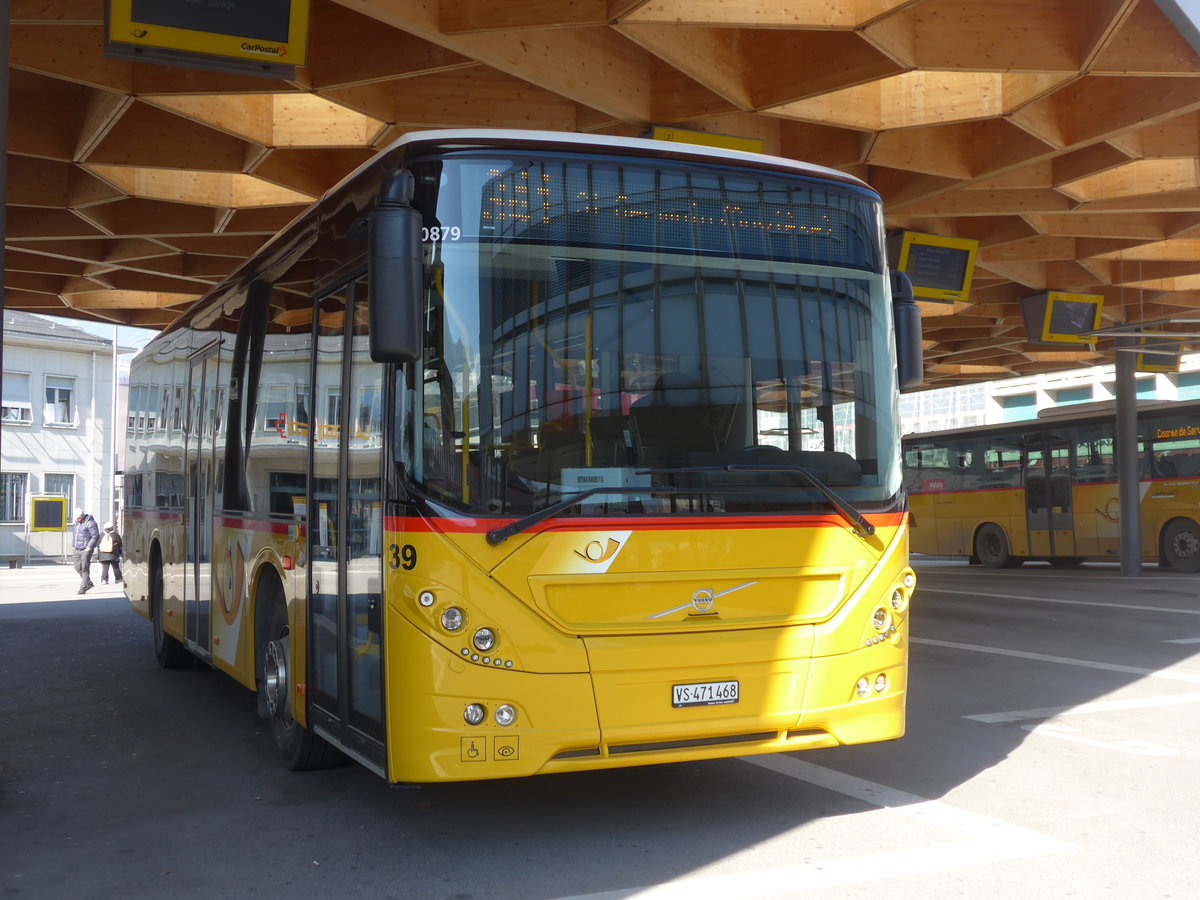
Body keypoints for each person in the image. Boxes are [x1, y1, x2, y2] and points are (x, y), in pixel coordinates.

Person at [71, 507, 100, 594]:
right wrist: (73, 546)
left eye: (78, 518)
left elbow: (95, 536)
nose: (76, 520)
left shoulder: (91, 523)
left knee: (84, 568)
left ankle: (83, 587)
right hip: (76, 549)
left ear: (82, 516)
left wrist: (89, 547)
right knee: (77, 568)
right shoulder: (76, 524)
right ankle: (88, 583)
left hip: (85, 549)